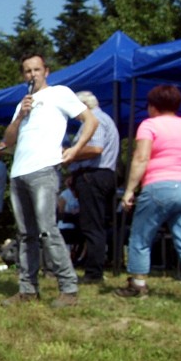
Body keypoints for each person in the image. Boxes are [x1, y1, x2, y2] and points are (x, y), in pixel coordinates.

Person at [0, 53, 98, 308]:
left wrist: (75, 150)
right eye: (27, 71)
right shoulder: (23, 104)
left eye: (36, 69)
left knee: (47, 229)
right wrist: (20, 115)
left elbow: (91, 120)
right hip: (19, 172)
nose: (32, 74)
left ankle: (68, 288)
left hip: (44, 170)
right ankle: (27, 289)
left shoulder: (60, 93)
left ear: (46, 71)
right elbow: (8, 141)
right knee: (25, 234)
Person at [115, 84, 181, 308]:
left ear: (152, 107)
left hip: (161, 186)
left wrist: (129, 191)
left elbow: (141, 158)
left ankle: (137, 284)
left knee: (141, 236)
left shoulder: (150, 125)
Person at [68, 91, 120, 283]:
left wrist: (70, 153)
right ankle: (98, 266)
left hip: (93, 175)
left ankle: (93, 272)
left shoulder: (94, 120)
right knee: (98, 224)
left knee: (92, 225)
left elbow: (95, 148)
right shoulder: (105, 118)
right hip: (103, 174)